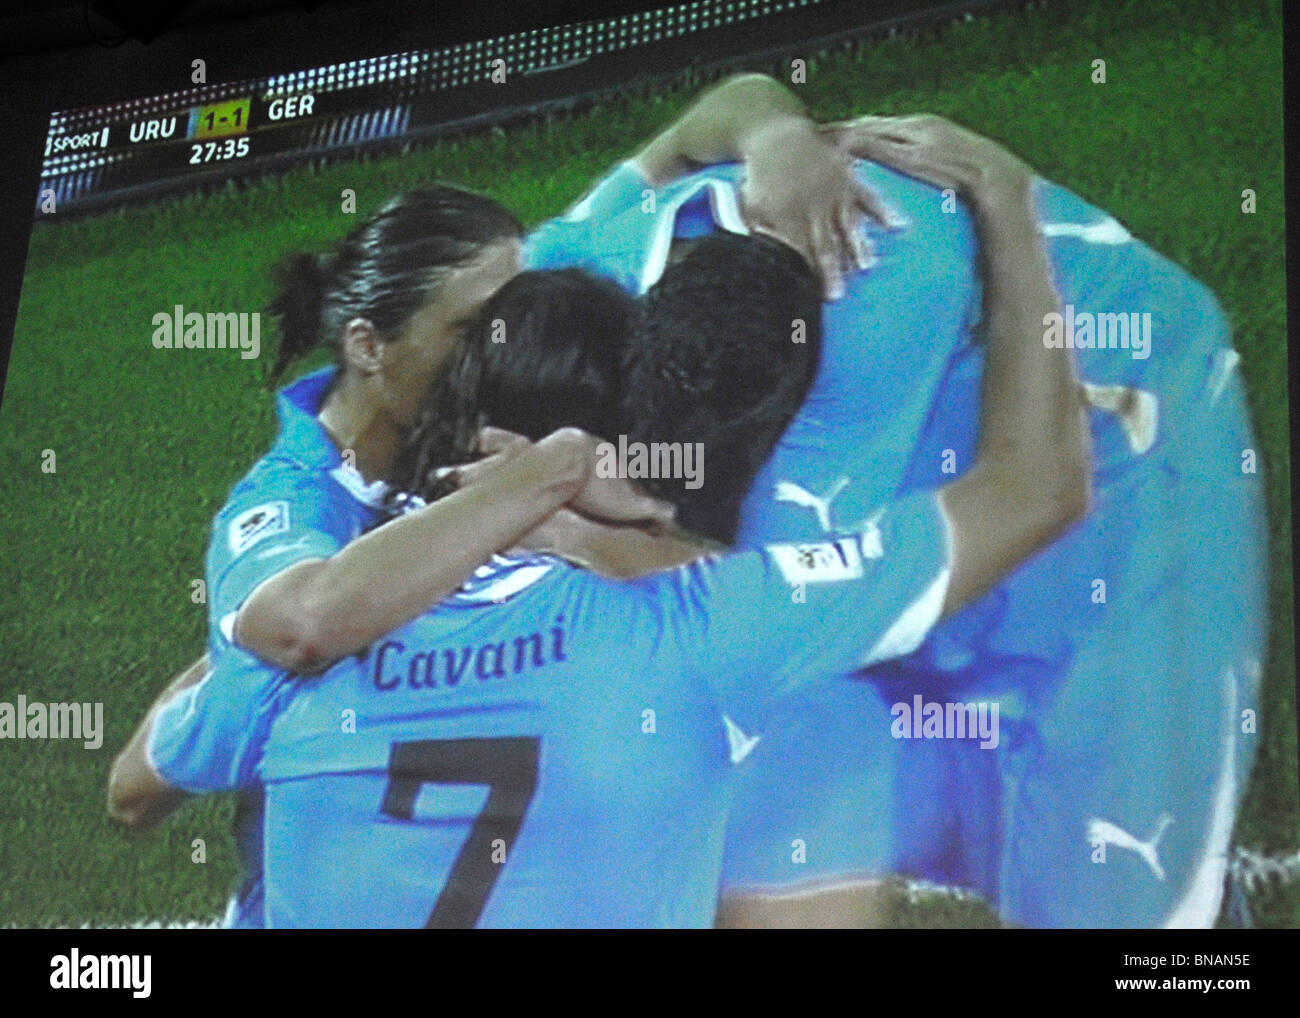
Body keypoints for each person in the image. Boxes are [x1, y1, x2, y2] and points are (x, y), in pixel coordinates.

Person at [112, 193, 1089, 924]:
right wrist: (1002, 201)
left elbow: (134, 788)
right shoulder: (691, 619)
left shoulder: (295, 651)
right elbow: (1037, 487)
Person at [527, 111, 1267, 928]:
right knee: (841, 736)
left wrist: (1005, 194)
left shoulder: (854, 340)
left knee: (1114, 856)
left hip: (1121, 423)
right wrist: (772, 126)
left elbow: (1035, 493)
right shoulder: (564, 268)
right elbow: (719, 109)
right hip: (940, 422)